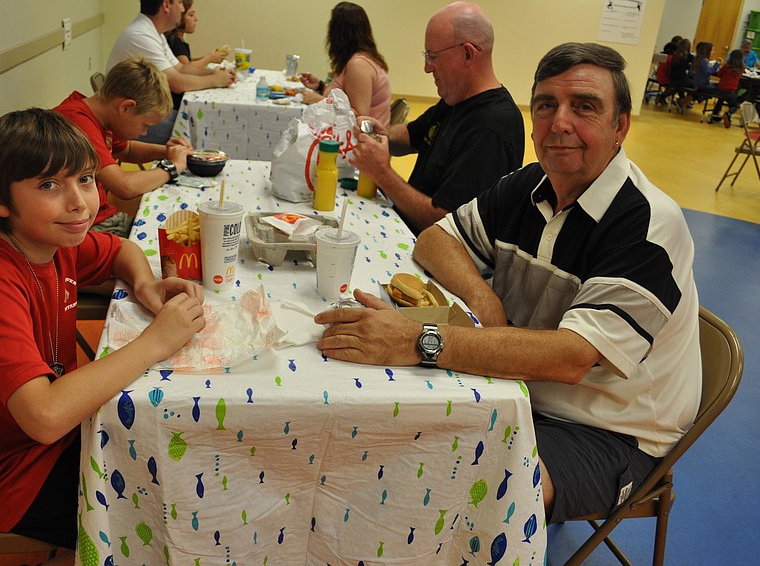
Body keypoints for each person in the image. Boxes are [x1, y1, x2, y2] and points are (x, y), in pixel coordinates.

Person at [315, 43, 701, 525]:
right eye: (546, 105)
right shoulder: (531, 185)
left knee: (445, 491)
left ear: (620, 126)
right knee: (376, 437)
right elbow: (435, 240)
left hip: (609, 429)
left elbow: (571, 359)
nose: (560, 123)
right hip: (517, 388)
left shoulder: (647, 224)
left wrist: (416, 340)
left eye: (584, 107)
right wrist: (485, 298)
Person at [0, 108, 206, 562]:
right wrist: (155, 342)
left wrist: (145, 285)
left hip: (57, 436)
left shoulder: (51, 240)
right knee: (175, 511)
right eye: (48, 185)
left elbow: (122, 249)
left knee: (184, 456)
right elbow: (44, 416)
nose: (79, 203)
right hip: (5, 477)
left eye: (84, 179)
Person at [349, 1, 524, 234]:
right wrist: (379, 135)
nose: (427, 67)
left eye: (432, 56)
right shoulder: (456, 98)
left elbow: (446, 225)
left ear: (467, 54)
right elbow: (411, 135)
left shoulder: (491, 128)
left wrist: (382, 173)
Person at [55, 57, 192, 237]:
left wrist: (169, 152)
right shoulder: (77, 124)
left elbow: (128, 150)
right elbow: (124, 187)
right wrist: (172, 167)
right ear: (126, 107)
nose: (145, 133)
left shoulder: (101, 117)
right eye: (145, 125)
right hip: (85, 226)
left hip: (100, 215)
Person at [106, 0, 235, 144]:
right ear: (166, 5)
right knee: (199, 133)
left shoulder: (155, 33)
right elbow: (177, 83)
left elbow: (181, 68)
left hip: (142, 110)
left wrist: (214, 73)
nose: (182, 8)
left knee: (200, 124)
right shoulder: (140, 35)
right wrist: (215, 80)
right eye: (180, 2)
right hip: (130, 118)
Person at [299, 2, 392, 127]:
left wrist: (321, 101)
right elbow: (347, 97)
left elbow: (359, 115)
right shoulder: (363, 58)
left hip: (361, 136)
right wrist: (320, 86)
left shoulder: (358, 65)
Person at [164, 0, 230, 108]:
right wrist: (209, 58)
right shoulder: (175, 42)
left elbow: (187, 61)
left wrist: (209, 57)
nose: (196, 19)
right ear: (180, 17)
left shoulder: (178, 40)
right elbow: (186, 67)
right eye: (191, 15)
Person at [709, 49, 744, 128]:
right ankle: (728, 113)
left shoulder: (726, 66)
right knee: (735, 106)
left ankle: (715, 114)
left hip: (721, 90)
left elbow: (719, 74)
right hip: (731, 92)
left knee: (720, 99)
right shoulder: (741, 69)